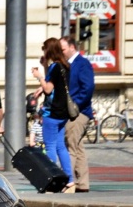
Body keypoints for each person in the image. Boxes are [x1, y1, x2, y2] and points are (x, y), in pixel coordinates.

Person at [32, 37, 75, 192]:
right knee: (60, 147)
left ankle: (51, 179)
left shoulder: (55, 67)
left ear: (48, 50)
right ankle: (69, 180)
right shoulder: (65, 66)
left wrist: (39, 77)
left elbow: (49, 89)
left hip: (52, 112)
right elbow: (53, 85)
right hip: (63, 113)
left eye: (44, 49)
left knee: (50, 146)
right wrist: (44, 67)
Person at [59, 35, 94, 192]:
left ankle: (68, 182)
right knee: (78, 147)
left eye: (63, 49)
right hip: (74, 111)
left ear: (72, 47)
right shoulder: (68, 64)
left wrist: (74, 106)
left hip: (78, 112)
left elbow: (87, 88)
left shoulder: (82, 64)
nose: (61, 52)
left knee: (70, 148)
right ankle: (82, 184)